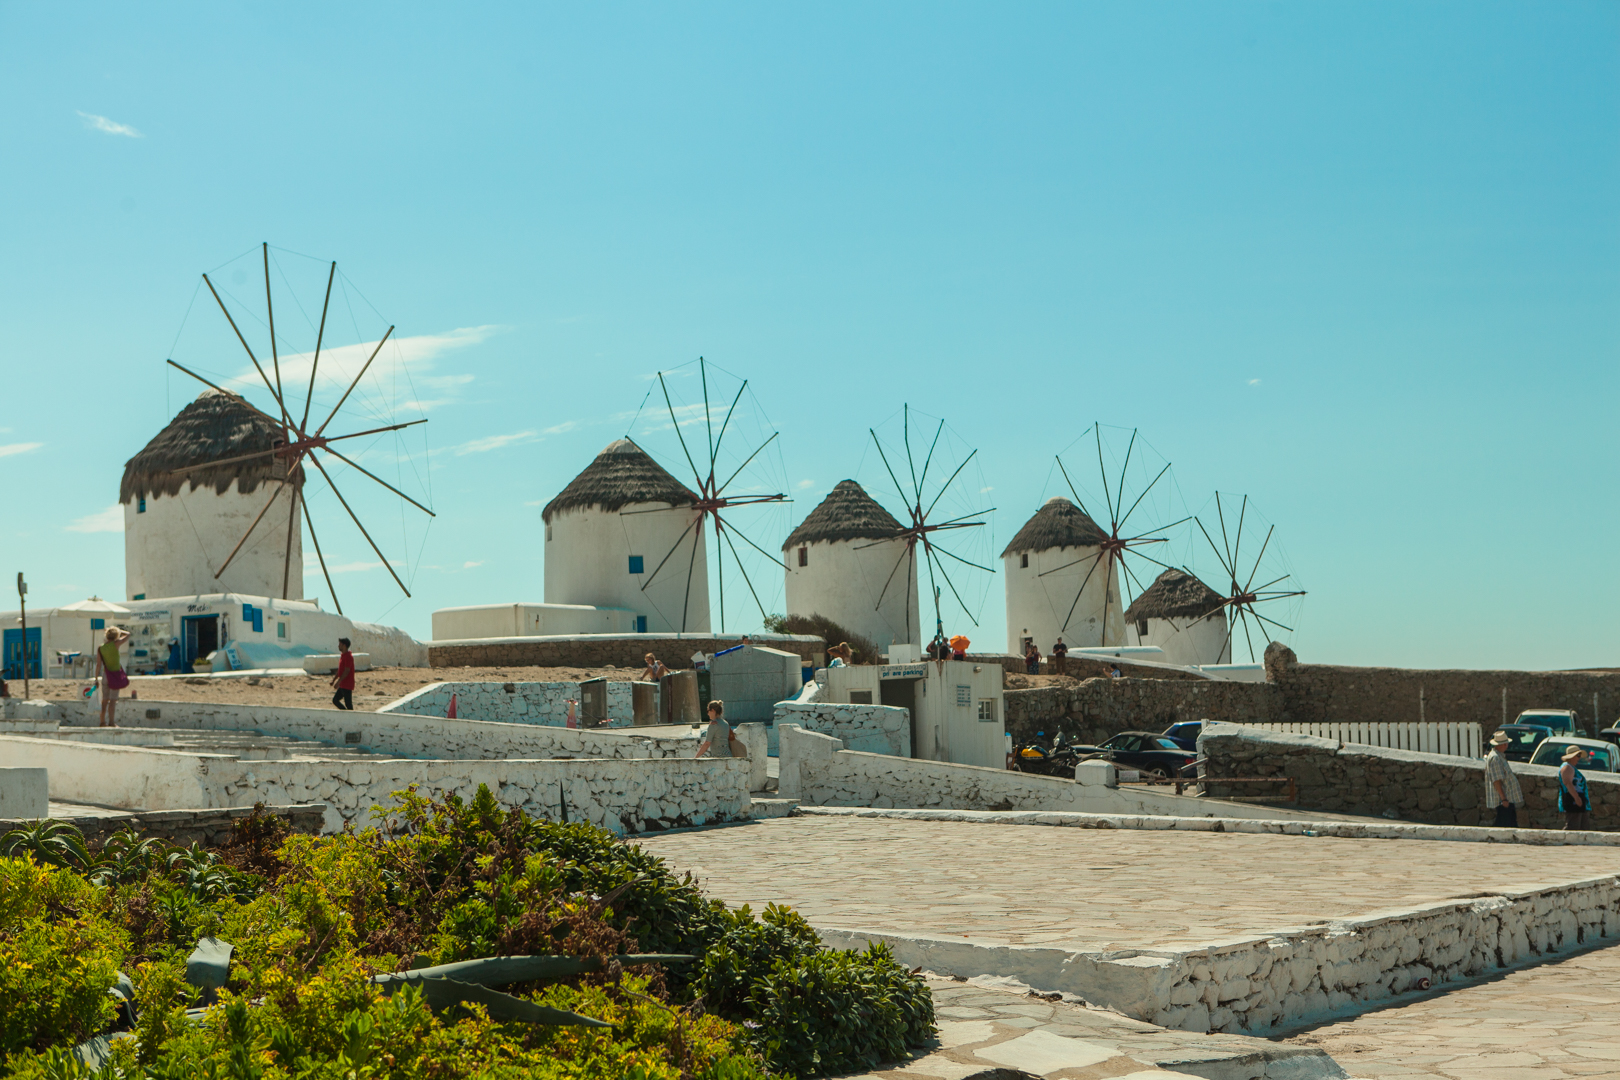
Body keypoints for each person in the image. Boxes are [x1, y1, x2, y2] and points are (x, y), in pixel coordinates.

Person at [1484, 729, 1526, 828]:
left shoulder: (1499, 757)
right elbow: (1497, 780)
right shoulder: (1495, 758)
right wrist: (1504, 799)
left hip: (1507, 798)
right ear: (1503, 744)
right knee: (1505, 824)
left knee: (1508, 823)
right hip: (1503, 800)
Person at [95, 626, 131, 727]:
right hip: (115, 675)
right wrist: (119, 631)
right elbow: (128, 634)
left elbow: (98, 664)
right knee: (113, 700)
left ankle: (102, 722)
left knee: (105, 700)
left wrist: (96, 678)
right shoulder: (116, 644)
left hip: (105, 675)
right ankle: (111, 722)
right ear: (115, 636)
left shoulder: (101, 648)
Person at [1558, 745, 1591, 831]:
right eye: (1578, 756)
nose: (1579, 758)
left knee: (1582, 827)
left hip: (1577, 801)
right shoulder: (1567, 767)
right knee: (1573, 826)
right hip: (1573, 801)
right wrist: (1576, 798)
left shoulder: (1571, 767)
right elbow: (1567, 783)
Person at [330, 637, 355, 710]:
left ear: (344, 645)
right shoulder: (343, 656)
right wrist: (334, 680)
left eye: (340, 644)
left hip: (347, 684)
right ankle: (346, 714)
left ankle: (350, 717)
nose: (338, 646)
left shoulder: (348, 657)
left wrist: (338, 681)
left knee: (348, 704)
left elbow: (347, 671)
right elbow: (340, 670)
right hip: (343, 684)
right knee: (335, 700)